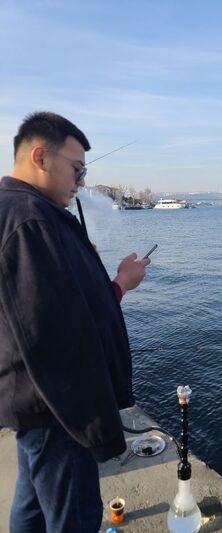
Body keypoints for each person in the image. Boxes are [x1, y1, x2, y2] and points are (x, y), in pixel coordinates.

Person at [0, 111, 150, 532]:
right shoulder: (30, 221)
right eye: (77, 169)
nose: (81, 182)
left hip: (35, 402)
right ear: (40, 157)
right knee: (75, 517)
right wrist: (91, 422)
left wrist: (105, 277)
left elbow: (53, 303)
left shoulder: (25, 212)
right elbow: (54, 332)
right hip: (58, 410)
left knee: (32, 503)